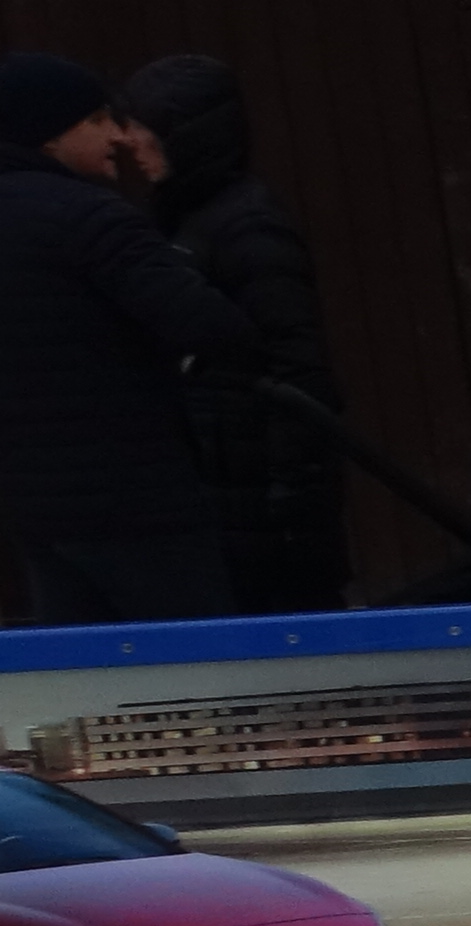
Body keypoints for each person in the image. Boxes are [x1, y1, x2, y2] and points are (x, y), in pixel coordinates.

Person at [0, 50, 259, 624]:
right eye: (98, 120)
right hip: (139, 499)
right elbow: (212, 326)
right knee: (195, 662)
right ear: (51, 133)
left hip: (35, 505)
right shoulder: (89, 216)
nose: (119, 136)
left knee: (86, 666)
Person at [118, 53, 354, 614]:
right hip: (221, 491)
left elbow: (297, 366)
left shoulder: (246, 228)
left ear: (186, 137)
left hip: (258, 499)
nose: (133, 146)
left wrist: (293, 499)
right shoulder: (181, 219)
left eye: (147, 133)